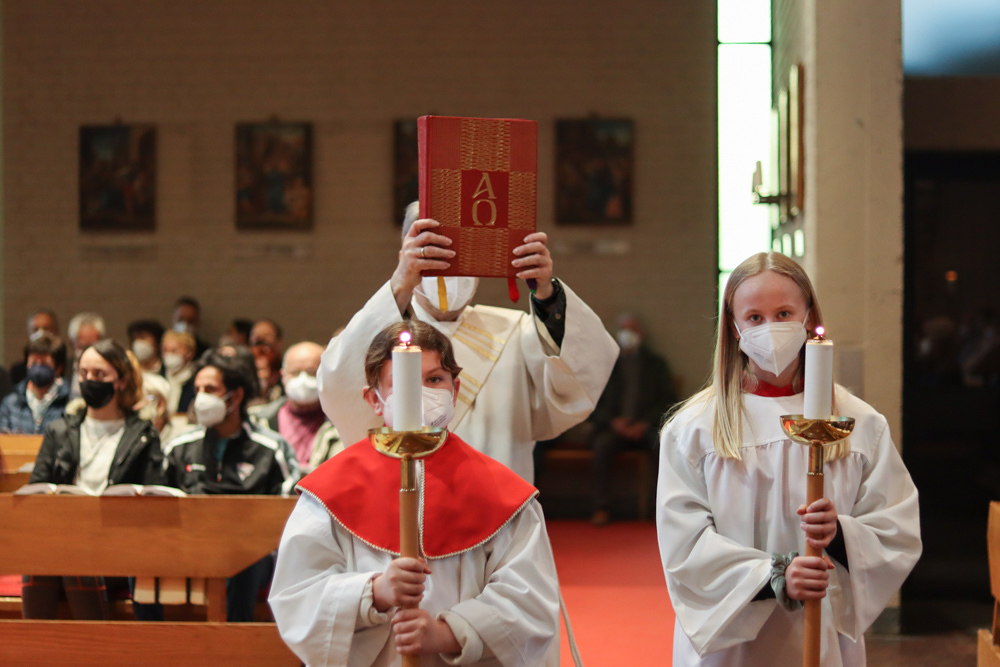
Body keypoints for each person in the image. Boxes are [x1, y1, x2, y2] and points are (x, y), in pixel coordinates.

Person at [656, 252, 921, 666]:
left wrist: (839, 535)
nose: (771, 329)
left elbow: (895, 530)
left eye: (783, 314)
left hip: (822, 633)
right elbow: (684, 544)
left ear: (807, 316)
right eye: (755, 318)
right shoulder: (694, 428)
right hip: (731, 645)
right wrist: (774, 576)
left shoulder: (860, 424)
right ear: (734, 327)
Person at [270, 321, 560, 666]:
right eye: (403, 382)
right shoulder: (329, 491)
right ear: (374, 399)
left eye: (435, 380)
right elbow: (297, 594)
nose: (422, 392)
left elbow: (529, 599)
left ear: (455, 389)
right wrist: (374, 592)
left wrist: (449, 634)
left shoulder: (501, 494)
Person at [318, 201, 618, 483]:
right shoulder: (383, 335)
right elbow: (337, 384)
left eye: (465, 255)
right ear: (405, 257)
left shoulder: (518, 333)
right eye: (435, 254)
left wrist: (547, 294)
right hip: (406, 500)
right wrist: (399, 284)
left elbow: (581, 378)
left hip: (497, 502)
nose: (452, 270)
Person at [23, 339, 165, 620]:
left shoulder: (142, 435)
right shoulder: (59, 430)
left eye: (99, 374)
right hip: (63, 537)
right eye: (84, 373)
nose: (89, 380)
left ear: (121, 381)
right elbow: (35, 492)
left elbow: (155, 499)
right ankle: (35, 647)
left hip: (118, 545)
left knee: (74, 559)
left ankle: (95, 645)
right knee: (44, 562)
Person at [162, 350, 298, 622]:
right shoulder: (179, 448)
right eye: (198, 389)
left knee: (242, 560)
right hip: (190, 548)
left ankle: (235, 641)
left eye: (210, 389)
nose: (201, 398)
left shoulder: (271, 449)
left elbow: (289, 515)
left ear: (236, 396)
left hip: (253, 556)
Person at [588, 313, 678, 525]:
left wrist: (644, 423)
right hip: (613, 428)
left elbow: (669, 401)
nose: (628, 334)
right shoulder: (606, 365)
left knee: (663, 446)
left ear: (641, 334)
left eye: (633, 329)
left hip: (646, 427)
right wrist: (612, 422)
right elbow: (591, 403)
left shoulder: (655, 365)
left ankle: (660, 508)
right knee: (601, 446)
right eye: (624, 329)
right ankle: (601, 507)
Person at [249, 341, 343, 473]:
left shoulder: (341, 425)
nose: (303, 379)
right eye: (295, 372)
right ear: (283, 376)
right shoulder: (258, 420)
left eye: (311, 372)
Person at [0, 333, 71, 435]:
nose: (38, 368)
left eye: (44, 364)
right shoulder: (11, 403)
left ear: (58, 368)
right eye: (33, 363)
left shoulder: (69, 403)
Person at [9, 309, 60, 385]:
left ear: (55, 331)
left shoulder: (65, 367)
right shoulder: (17, 372)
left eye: (45, 328)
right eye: (36, 329)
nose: (41, 333)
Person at [66, 312, 107, 399]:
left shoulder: (106, 372)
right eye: (82, 347)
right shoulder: (63, 369)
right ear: (72, 344)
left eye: (92, 347)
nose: (88, 353)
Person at [161, 329, 197, 415]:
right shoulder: (160, 377)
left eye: (174, 351)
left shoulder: (196, 381)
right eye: (165, 350)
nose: (169, 355)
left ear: (190, 353)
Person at [250, 318, 285, 405]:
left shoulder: (282, 366)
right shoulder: (246, 361)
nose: (259, 338)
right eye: (255, 335)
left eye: (266, 335)